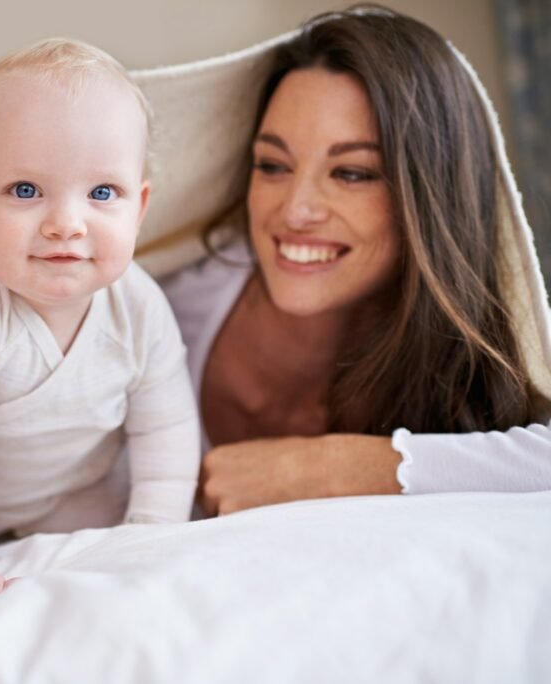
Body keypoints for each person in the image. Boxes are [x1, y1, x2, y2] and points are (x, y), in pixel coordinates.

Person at [158, 6, 551, 517]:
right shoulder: (159, 313)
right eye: (273, 165)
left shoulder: (466, 362)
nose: (295, 211)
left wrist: (335, 468)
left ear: (430, 199)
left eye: (352, 173)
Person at [0, 39, 200, 593]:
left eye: (102, 192)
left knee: (99, 579)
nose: (66, 223)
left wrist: (152, 535)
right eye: (26, 189)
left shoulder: (139, 306)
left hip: (77, 494)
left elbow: (167, 431)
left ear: (140, 207)